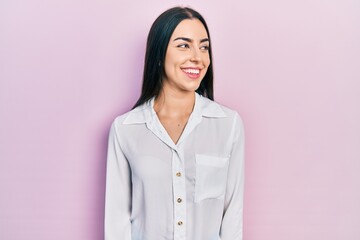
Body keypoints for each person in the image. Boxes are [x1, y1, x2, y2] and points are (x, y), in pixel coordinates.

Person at [104, 6, 245, 240]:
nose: (197, 58)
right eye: (183, 45)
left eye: (204, 47)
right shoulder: (126, 129)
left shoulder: (228, 125)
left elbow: (232, 217)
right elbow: (117, 224)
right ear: (159, 54)